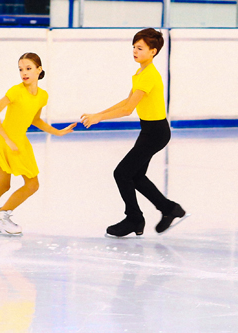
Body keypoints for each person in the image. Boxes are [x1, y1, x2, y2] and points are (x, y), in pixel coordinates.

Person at [79, 28, 187, 238]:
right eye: (134, 47)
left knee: (122, 173)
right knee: (135, 176)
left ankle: (134, 218)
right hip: (150, 131)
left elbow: (128, 109)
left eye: (140, 48)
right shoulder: (141, 73)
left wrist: (99, 118)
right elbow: (128, 101)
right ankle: (169, 208)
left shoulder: (148, 76)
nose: (135, 51)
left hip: (155, 133)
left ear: (153, 51)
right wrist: (98, 114)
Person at [0, 52, 76, 237]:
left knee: (31, 185)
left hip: (20, 142)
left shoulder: (43, 96)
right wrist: (7, 139)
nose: (24, 73)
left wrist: (58, 132)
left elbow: (36, 120)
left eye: (28, 68)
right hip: (2, 141)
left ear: (39, 69)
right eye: (21, 69)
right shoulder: (15, 91)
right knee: (4, 184)